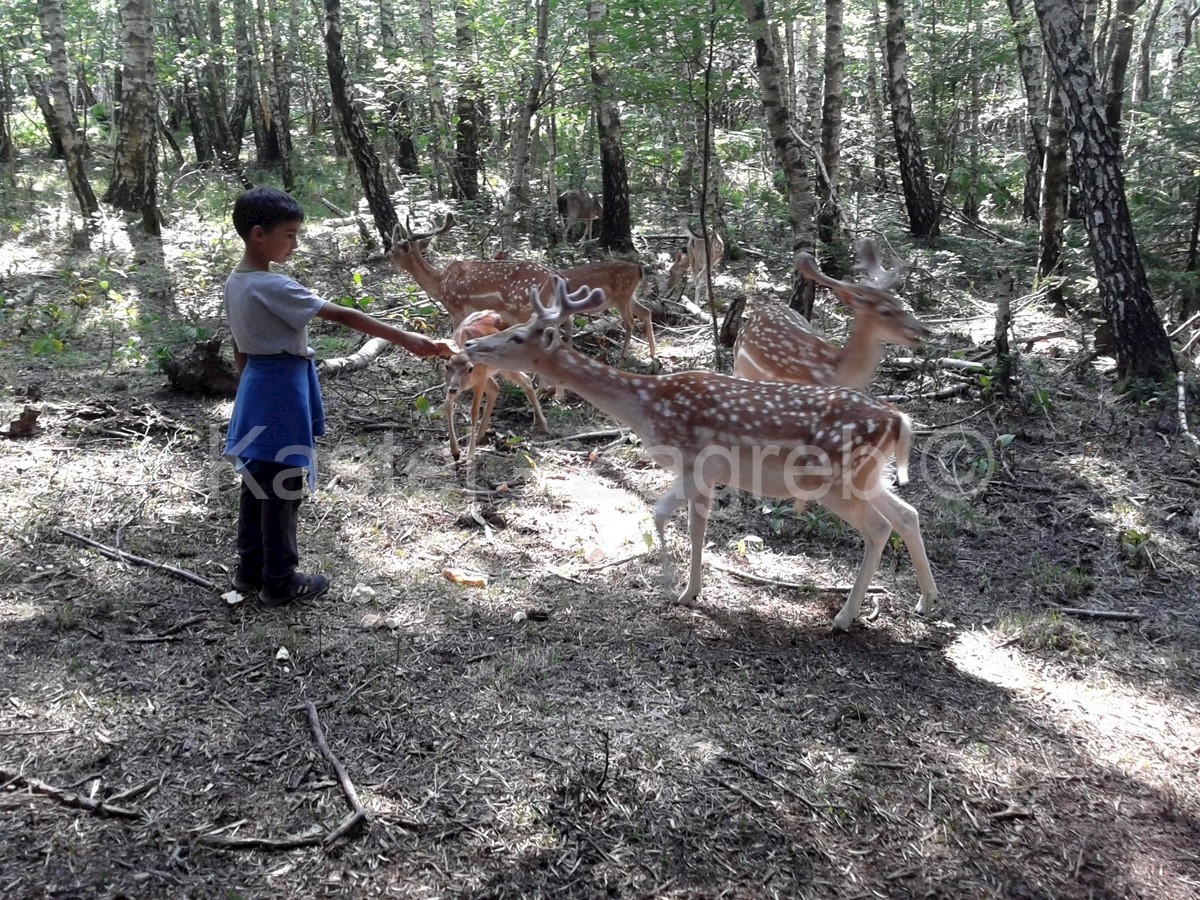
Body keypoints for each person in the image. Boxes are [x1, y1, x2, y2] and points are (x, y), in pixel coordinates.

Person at [223, 186, 454, 608]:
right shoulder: (273, 284)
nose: (295, 242)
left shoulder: (236, 282)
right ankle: (280, 580)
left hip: (257, 383)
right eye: (290, 234)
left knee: (257, 478)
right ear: (259, 235)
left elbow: (240, 346)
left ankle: (249, 571)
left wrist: (249, 389)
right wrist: (406, 338)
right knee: (283, 483)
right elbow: (342, 314)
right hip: (280, 388)